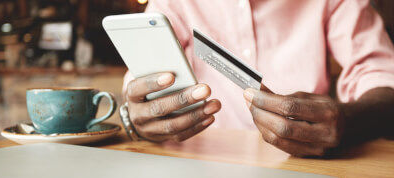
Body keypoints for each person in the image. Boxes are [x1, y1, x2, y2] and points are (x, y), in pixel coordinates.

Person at [121, 0, 394, 157]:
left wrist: (349, 121)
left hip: (305, 166)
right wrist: (139, 116)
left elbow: (382, 74)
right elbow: (142, 85)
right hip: (198, 163)